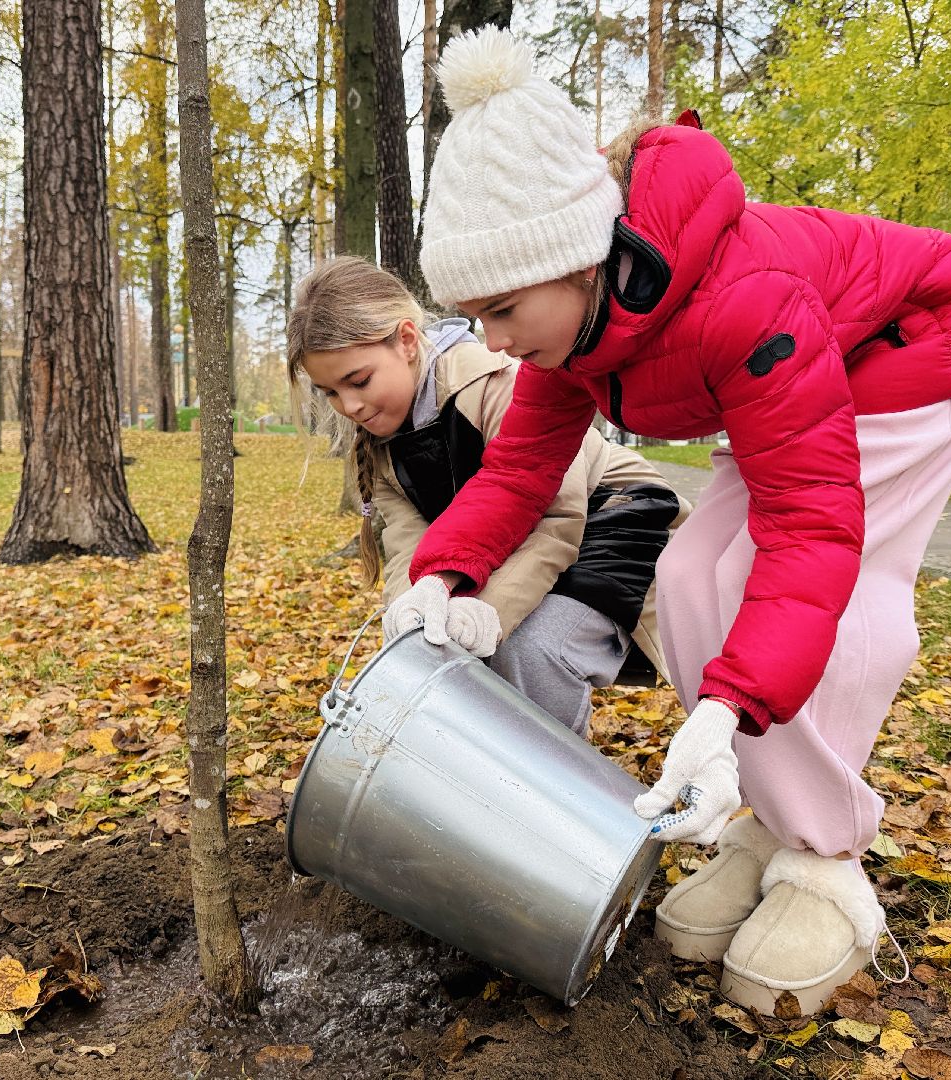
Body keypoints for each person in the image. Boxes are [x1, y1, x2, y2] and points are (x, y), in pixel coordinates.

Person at [387, 27, 951, 1013]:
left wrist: (727, 714)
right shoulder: (578, 336)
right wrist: (443, 574)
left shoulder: (740, 303)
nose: (495, 342)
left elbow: (814, 537)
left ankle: (826, 860)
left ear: (573, 259)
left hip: (926, 349)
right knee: (689, 578)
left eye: (503, 310)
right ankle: (773, 813)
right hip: (812, 373)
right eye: (476, 317)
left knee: (831, 594)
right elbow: (517, 471)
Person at [287, 255, 689, 737]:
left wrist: (488, 614)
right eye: (330, 393)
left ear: (408, 341)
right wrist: (413, 615)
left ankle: (557, 798)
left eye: (358, 381)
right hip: (507, 544)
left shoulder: (499, 384)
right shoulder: (380, 446)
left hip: (614, 517)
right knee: (443, 654)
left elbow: (554, 519)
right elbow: (407, 544)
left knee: (530, 650)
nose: (349, 406)